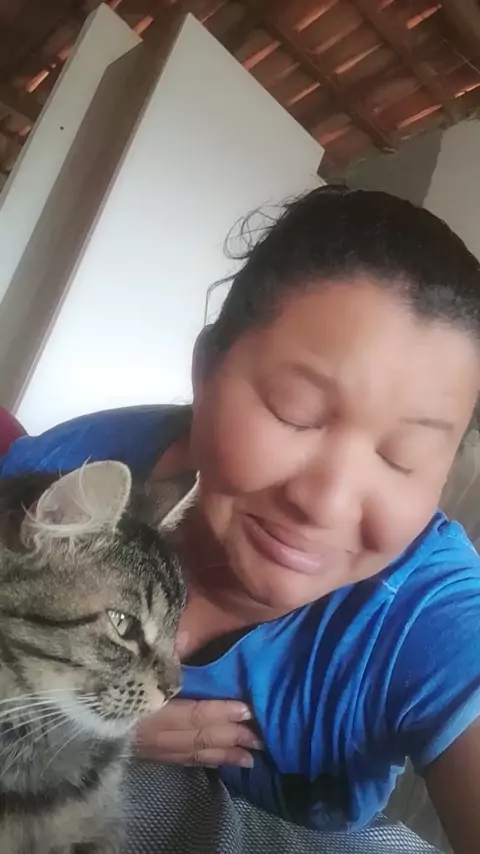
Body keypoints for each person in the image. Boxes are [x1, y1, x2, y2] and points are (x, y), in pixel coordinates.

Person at [3, 186, 480, 853]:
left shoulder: (435, 613)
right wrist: (76, 718)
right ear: (204, 373)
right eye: (294, 410)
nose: (327, 503)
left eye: (403, 458)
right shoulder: (73, 468)